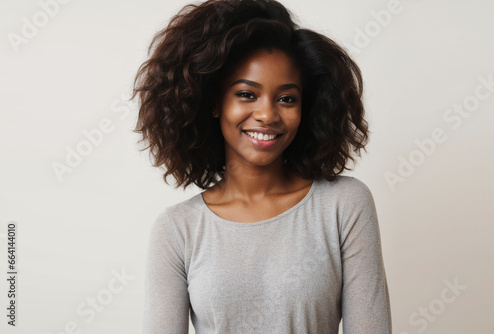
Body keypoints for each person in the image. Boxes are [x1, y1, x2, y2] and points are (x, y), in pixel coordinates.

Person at [132, 0, 392, 332]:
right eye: (246, 94)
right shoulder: (177, 229)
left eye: (286, 99)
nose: (268, 114)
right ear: (214, 102)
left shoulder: (344, 204)